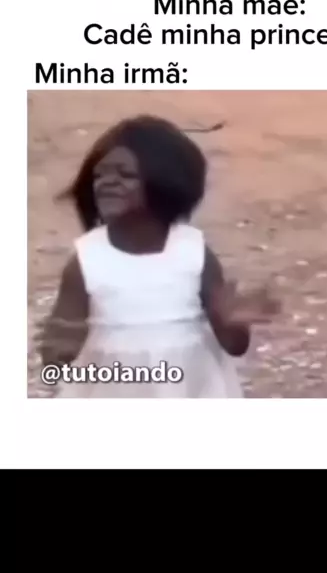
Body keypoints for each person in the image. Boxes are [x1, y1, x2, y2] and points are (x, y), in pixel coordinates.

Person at [39, 114, 280, 398]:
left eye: (125, 175)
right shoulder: (87, 261)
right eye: (99, 175)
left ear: (165, 182)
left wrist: (232, 323)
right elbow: (57, 351)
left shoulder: (193, 253)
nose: (107, 182)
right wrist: (58, 346)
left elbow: (234, 346)